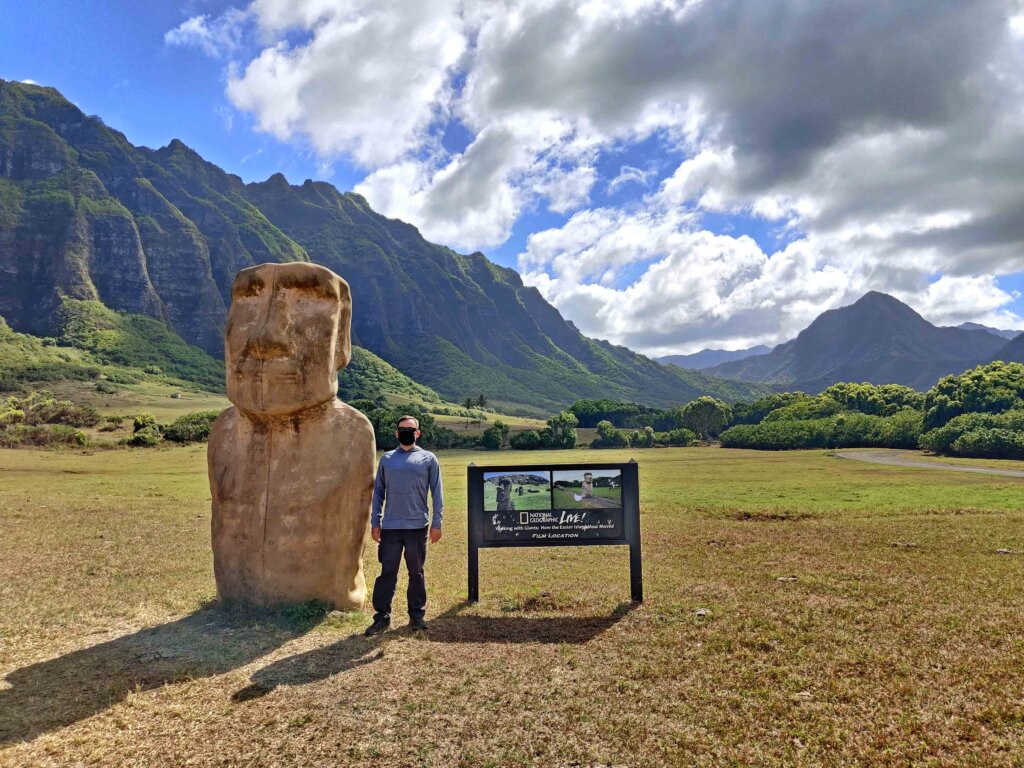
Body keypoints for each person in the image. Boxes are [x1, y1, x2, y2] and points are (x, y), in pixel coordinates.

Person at [364, 415, 443, 635]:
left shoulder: (428, 459)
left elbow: (437, 492)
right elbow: (378, 492)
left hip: (417, 527)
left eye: (412, 429)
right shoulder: (387, 459)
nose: (407, 431)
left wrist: (437, 523)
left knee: (416, 573)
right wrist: (375, 521)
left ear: (418, 433)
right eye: (403, 428)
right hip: (390, 527)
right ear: (396, 433)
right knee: (387, 572)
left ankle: (416, 616)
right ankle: (381, 617)